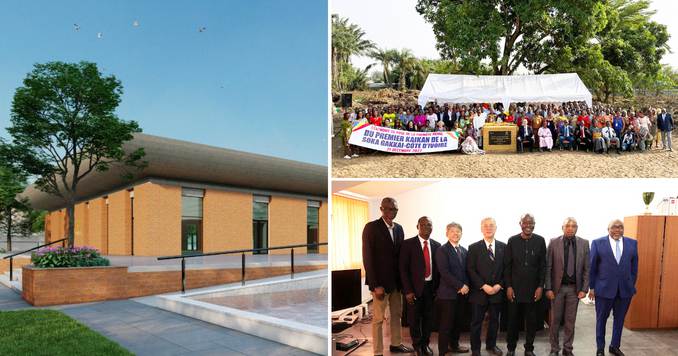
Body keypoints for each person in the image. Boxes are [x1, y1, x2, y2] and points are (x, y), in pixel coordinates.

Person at [362, 197, 413, 355]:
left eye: (395, 209)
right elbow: (368, 257)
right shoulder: (371, 227)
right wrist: (375, 285)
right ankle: (377, 351)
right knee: (378, 319)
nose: (392, 212)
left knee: (396, 315)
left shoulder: (399, 228)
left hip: (396, 283)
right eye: (389, 209)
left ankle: (396, 344)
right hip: (380, 284)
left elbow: (400, 257)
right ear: (382, 209)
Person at [589, 219, 638, 356]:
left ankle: (614, 346)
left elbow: (634, 268)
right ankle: (600, 348)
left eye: (620, 227)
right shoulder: (597, 243)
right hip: (603, 290)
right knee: (601, 320)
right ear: (608, 229)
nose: (617, 230)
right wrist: (591, 287)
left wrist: (631, 284)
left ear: (623, 229)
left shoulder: (632, 243)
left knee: (619, 320)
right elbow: (592, 267)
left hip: (625, 291)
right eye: (614, 227)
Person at [545, 218, 590, 356]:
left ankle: (567, 348)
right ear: (562, 227)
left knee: (570, 322)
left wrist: (584, 289)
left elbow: (587, 268)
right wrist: (548, 288)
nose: (570, 228)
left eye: (573, 226)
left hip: (574, 290)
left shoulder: (584, 243)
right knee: (555, 321)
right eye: (567, 226)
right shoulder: (553, 242)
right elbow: (548, 267)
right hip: (557, 290)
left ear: (577, 228)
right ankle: (554, 349)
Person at [504, 214, 546, 356]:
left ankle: (529, 348)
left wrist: (541, 286)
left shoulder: (540, 241)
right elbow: (507, 266)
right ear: (520, 224)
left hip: (533, 290)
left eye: (531, 222)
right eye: (525, 222)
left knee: (531, 322)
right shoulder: (512, 241)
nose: (528, 225)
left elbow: (543, 267)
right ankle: (511, 348)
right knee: (512, 321)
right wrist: (508, 286)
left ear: (534, 224)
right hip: (514, 289)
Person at [400, 216, 441, 356]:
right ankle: (417, 346)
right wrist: (408, 291)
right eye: (422, 225)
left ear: (432, 227)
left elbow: (438, 270)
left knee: (429, 319)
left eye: (429, 225)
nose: (426, 227)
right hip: (414, 289)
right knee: (414, 319)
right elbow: (403, 269)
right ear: (417, 226)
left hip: (431, 288)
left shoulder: (437, 245)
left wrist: (437, 289)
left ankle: (425, 345)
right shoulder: (407, 244)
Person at [466, 217, 505, 356]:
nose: (488, 228)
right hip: (479, 292)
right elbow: (470, 270)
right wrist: (483, 285)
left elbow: (507, 269)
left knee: (495, 322)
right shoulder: (473, 247)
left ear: (496, 228)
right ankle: (475, 349)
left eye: (491, 225)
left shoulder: (503, 247)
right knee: (476, 323)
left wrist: (499, 285)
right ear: (481, 229)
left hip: (497, 291)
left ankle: (491, 345)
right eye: (485, 226)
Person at [435, 223, 471, 355]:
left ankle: (454, 345)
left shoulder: (464, 250)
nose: (456, 234)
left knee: (458, 323)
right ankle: (443, 351)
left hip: (462, 294)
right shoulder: (442, 250)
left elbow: (468, 271)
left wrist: (466, 286)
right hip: (447, 295)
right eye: (452, 231)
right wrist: (460, 286)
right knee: (446, 325)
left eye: (458, 231)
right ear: (447, 233)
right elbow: (444, 272)